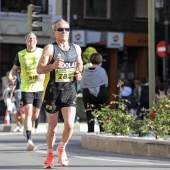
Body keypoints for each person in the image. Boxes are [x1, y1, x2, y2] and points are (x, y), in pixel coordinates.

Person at [36, 19, 83, 168]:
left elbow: (79, 63)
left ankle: (61, 147)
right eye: (61, 29)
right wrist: (53, 66)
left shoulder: (76, 48)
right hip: (52, 93)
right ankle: (49, 154)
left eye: (67, 29)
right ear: (54, 32)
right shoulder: (50, 48)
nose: (64, 32)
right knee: (53, 126)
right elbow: (39, 69)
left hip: (70, 91)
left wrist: (79, 73)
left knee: (69, 125)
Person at [10, 32, 44, 151]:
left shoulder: (41, 52)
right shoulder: (20, 54)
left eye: (33, 38)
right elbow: (14, 70)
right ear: (25, 41)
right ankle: (29, 140)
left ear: (37, 41)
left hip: (39, 88)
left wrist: (43, 75)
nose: (31, 40)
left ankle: (27, 127)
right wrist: (13, 76)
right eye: (29, 39)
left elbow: (48, 67)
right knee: (28, 114)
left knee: (35, 116)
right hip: (26, 88)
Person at [80, 53, 109, 133]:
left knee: (89, 114)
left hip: (88, 94)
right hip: (101, 93)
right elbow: (106, 82)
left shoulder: (85, 71)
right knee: (102, 114)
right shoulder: (102, 70)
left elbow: (82, 84)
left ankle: (90, 132)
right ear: (100, 61)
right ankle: (103, 132)